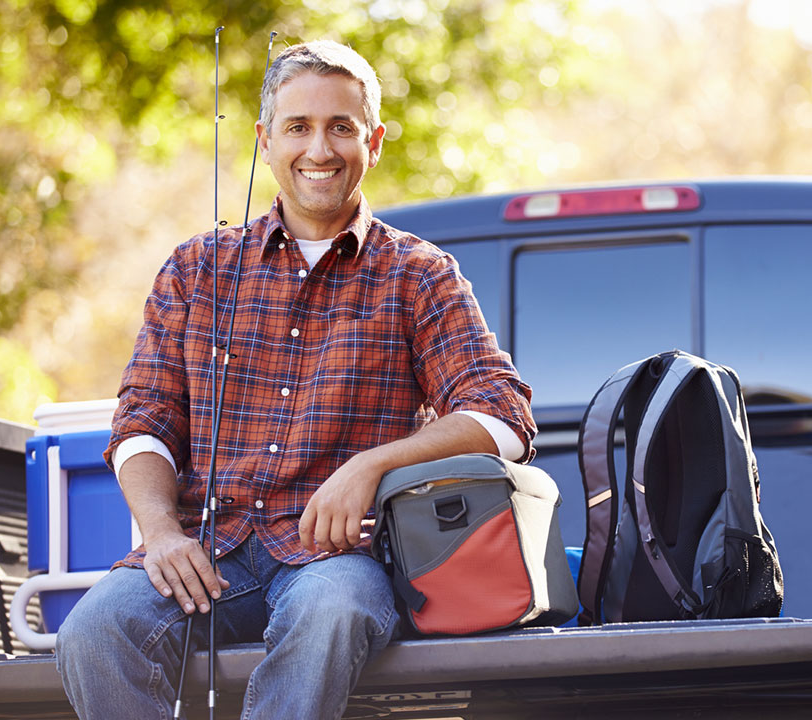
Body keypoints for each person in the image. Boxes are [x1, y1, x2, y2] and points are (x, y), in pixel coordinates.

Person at [55, 40, 536, 719]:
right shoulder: (196, 270)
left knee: (330, 614)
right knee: (93, 632)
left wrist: (372, 467)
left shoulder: (420, 274)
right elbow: (143, 421)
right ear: (264, 140)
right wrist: (161, 532)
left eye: (341, 127)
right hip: (204, 552)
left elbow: (503, 417)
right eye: (299, 127)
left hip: (337, 562)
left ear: (372, 141)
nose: (320, 148)